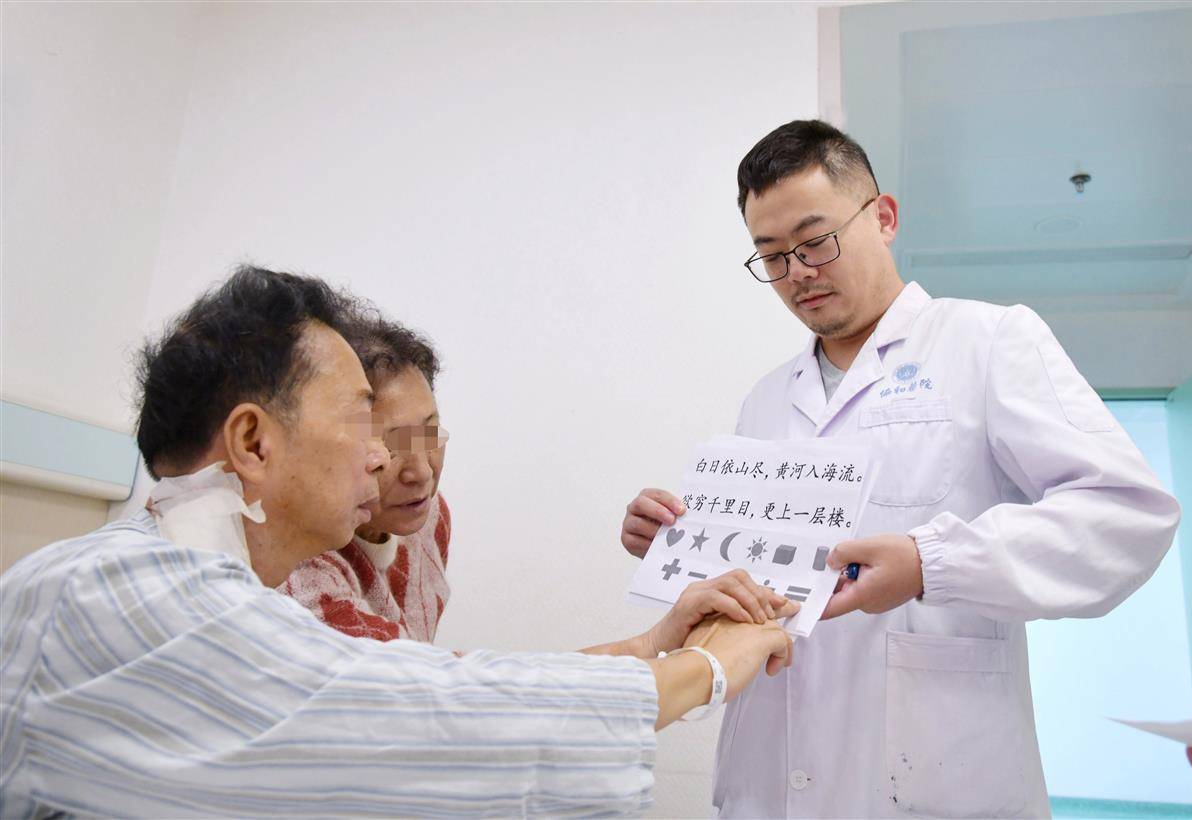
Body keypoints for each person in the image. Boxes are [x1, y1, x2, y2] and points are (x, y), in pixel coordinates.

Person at [0, 265, 796, 818]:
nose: (389, 461)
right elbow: (409, 711)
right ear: (253, 441)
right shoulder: (113, 590)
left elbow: (419, 685)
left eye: (427, 432)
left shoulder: (222, 584)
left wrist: (658, 645)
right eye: (361, 420)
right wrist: (701, 670)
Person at [620, 120, 1181, 817]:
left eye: (815, 241)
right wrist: (681, 545)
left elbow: (1125, 516)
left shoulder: (986, 341)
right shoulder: (765, 399)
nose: (798, 273)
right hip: (769, 779)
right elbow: (763, 577)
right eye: (772, 256)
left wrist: (930, 564)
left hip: (935, 776)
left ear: (883, 217)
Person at [280, 315, 452, 642]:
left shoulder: (428, 517)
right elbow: (394, 668)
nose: (422, 473)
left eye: (429, 432)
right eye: (390, 444)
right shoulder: (301, 565)